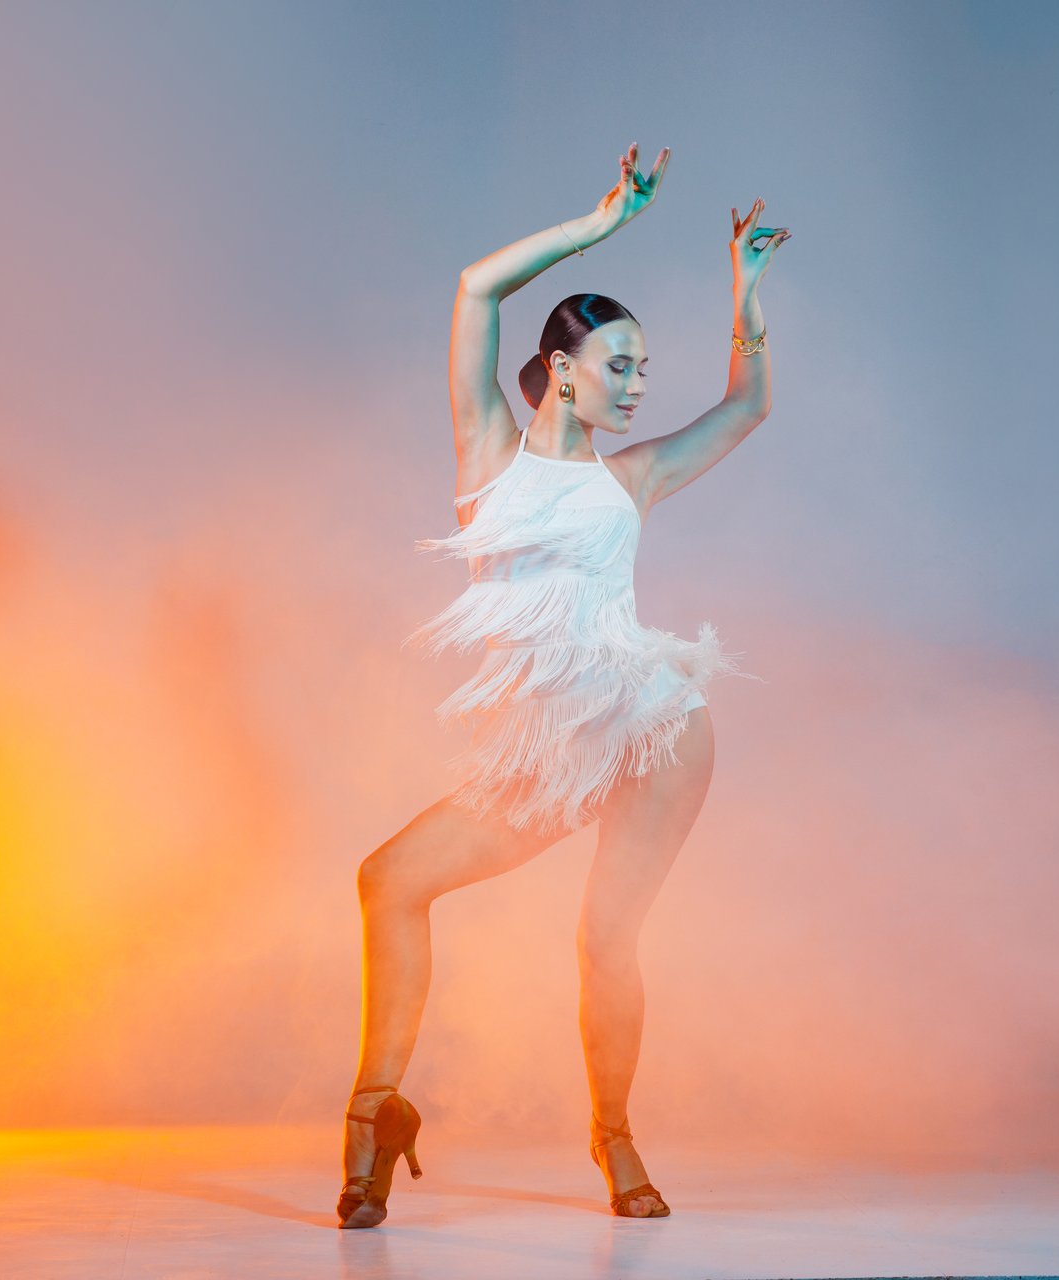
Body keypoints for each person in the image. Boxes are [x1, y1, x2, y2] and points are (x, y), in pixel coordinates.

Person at [337, 142, 789, 1229]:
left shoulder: (631, 477)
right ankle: (372, 1113)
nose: (637, 385)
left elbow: (746, 409)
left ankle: (613, 1134)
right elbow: (475, 288)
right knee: (389, 881)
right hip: (545, 748)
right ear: (564, 366)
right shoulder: (487, 451)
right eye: (620, 365)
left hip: (651, 725)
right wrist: (599, 226)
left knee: (603, 938)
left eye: (644, 370)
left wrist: (745, 295)